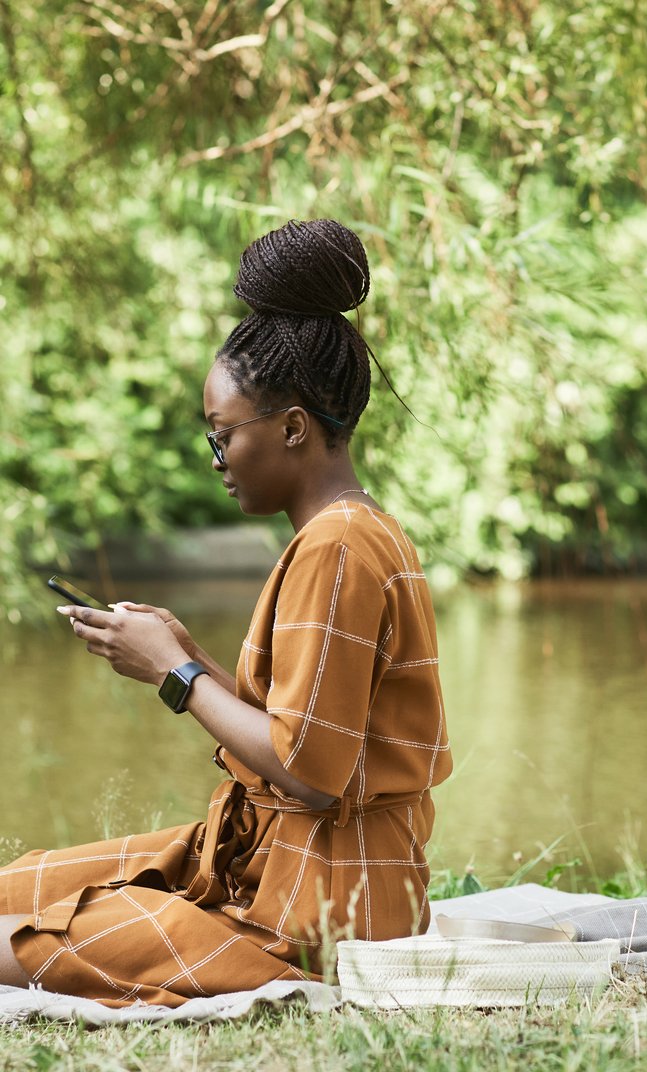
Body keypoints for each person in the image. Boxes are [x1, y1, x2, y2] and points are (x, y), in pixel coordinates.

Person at [0, 219, 452, 1007]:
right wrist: (185, 653)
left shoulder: (337, 550)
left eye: (221, 437)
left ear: (293, 427)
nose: (215, 463)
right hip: (270, 866)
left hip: (313, 917)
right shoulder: (349, 533)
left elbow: (312, 775)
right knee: (12, 891)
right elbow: (305, 732)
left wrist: (176, 677)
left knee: (12, 937)